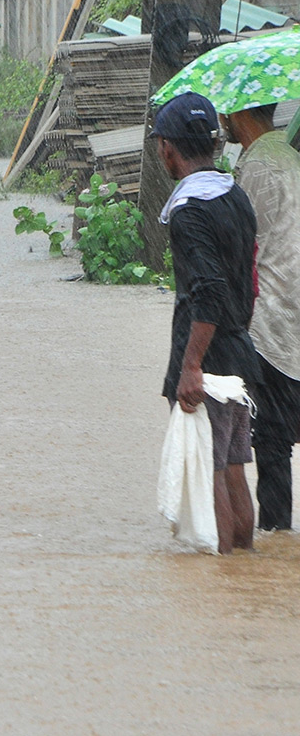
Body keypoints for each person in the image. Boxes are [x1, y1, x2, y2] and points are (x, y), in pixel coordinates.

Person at [154, 93, 259, 554]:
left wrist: (191, 365)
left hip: (209, 360)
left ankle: (224, 568)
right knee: (234, 465)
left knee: (210, 468)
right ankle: (245, 569)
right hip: (240, 352)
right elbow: (248, 280)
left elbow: (209, 290)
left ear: (167, 149)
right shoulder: (235, 195)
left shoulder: (188, 211)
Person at [221, 102, 300, 530]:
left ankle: (274, 536)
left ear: (238, 115)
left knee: (271, 445)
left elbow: (239, 249)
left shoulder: (256, 169)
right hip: (293, 318)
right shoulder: (291, 157)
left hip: (273, 322)